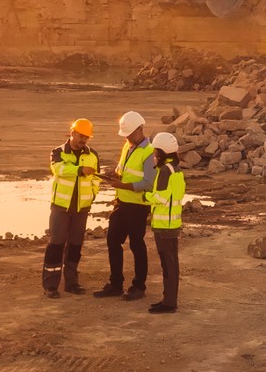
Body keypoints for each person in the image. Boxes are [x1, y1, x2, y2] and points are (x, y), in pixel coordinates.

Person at [95, 109, 152, 301]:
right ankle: (116, 284)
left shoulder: (149, 152)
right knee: (113, 241)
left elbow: (148, 183)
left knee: (137, 245)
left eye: (129, 134)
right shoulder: (127, 147)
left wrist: (122, 185)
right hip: (121, 204)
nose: (126, 137)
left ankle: (138, 286)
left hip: (137, 207)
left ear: (140, 129)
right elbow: (124, 171)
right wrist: (115, 176)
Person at [42, 118, 101, 298]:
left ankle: (71, 282)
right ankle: (50, 285)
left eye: (86, 137)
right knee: (56, 244)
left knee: (75, 246)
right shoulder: (58, 152)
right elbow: (58, 169)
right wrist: (79, 170)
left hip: (81, 208)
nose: (83, 140)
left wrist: (91, 196)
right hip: (61, 207)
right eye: (80, 135)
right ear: (72, 132)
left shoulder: (93, 155)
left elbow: (96, 179)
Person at [144, 131, 187, 314]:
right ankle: (168, 299)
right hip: (172, 224)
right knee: (171, 264)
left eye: (155, 153)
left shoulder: (164, 172)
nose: (154, 156)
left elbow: (160, 198)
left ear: (161, 153)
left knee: (168, 265)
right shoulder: (176, 170)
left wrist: (145, 196)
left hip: (164, 226)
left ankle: (169, 303)